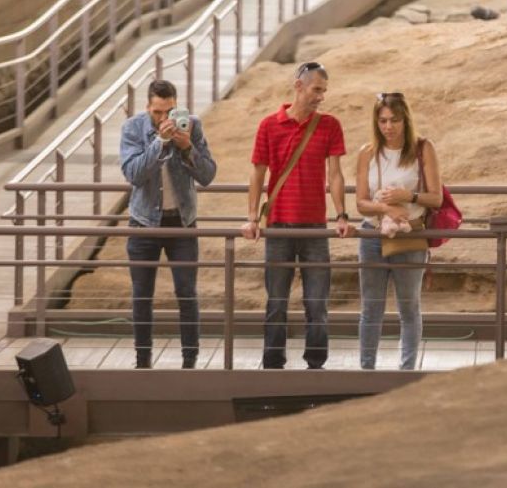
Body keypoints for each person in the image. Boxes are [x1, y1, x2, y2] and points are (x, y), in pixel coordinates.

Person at [241, 61, 351, 370]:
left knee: (317, 303)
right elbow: (257, 174)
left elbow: (336, 175)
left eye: (324, 91)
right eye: (317, 89)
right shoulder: (268, 125)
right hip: (278, 226)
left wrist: (342, 215)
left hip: (315, 226)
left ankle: (316, 363)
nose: (321, 97)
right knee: (276, 302)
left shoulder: (330, 125)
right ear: (299, 86)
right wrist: (252, 217)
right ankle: (273, 362)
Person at [120, 79, 217, 369]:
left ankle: (190, 360)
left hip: (182, 224)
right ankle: (142, 361)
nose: (165, 119)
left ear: (177, 105)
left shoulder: (192, 126)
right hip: (143, 223)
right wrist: (159, 142)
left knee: (187, 293)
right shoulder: (133, 129)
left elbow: (208, 175)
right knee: (141, 295)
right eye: (158, 112)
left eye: (170, 111)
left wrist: (187, 148)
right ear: (148, 107)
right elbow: (134, 175)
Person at [355, 92, 442, 370]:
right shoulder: (367, 153)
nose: (388, 127)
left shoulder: (422, 149)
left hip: (411, 236)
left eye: (394, 120)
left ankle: (406, 371)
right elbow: (361, 203)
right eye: (382, 121)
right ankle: (366, 371)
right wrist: (385, 209)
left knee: (409, 308)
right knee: (371, 309)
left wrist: (409, 195)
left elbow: (436, 198)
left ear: (406, 119)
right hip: (372, 237)